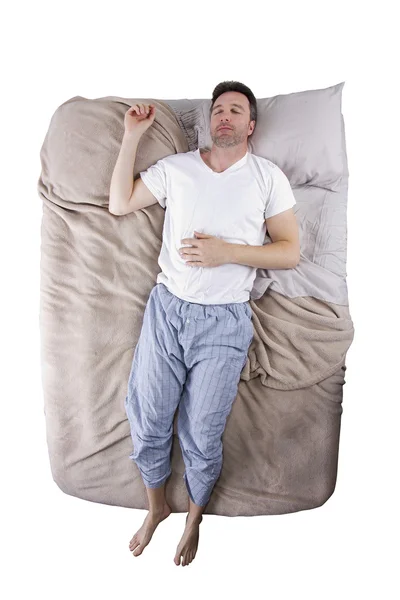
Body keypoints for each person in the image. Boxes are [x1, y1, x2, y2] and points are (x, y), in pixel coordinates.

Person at [109, 81, 300, 567]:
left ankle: (194, 517)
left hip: (225, 321)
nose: (225, 117)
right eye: (218, 110)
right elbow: (119, 203)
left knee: (202, 431)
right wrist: (132, 135)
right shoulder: (178, 169)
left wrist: (225, 253)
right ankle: (157, 510)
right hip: (168, 310)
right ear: (209, 121)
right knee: (148, 416)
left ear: (250, 125)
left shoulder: (266, 177)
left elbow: (290, 251)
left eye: (236, 110)